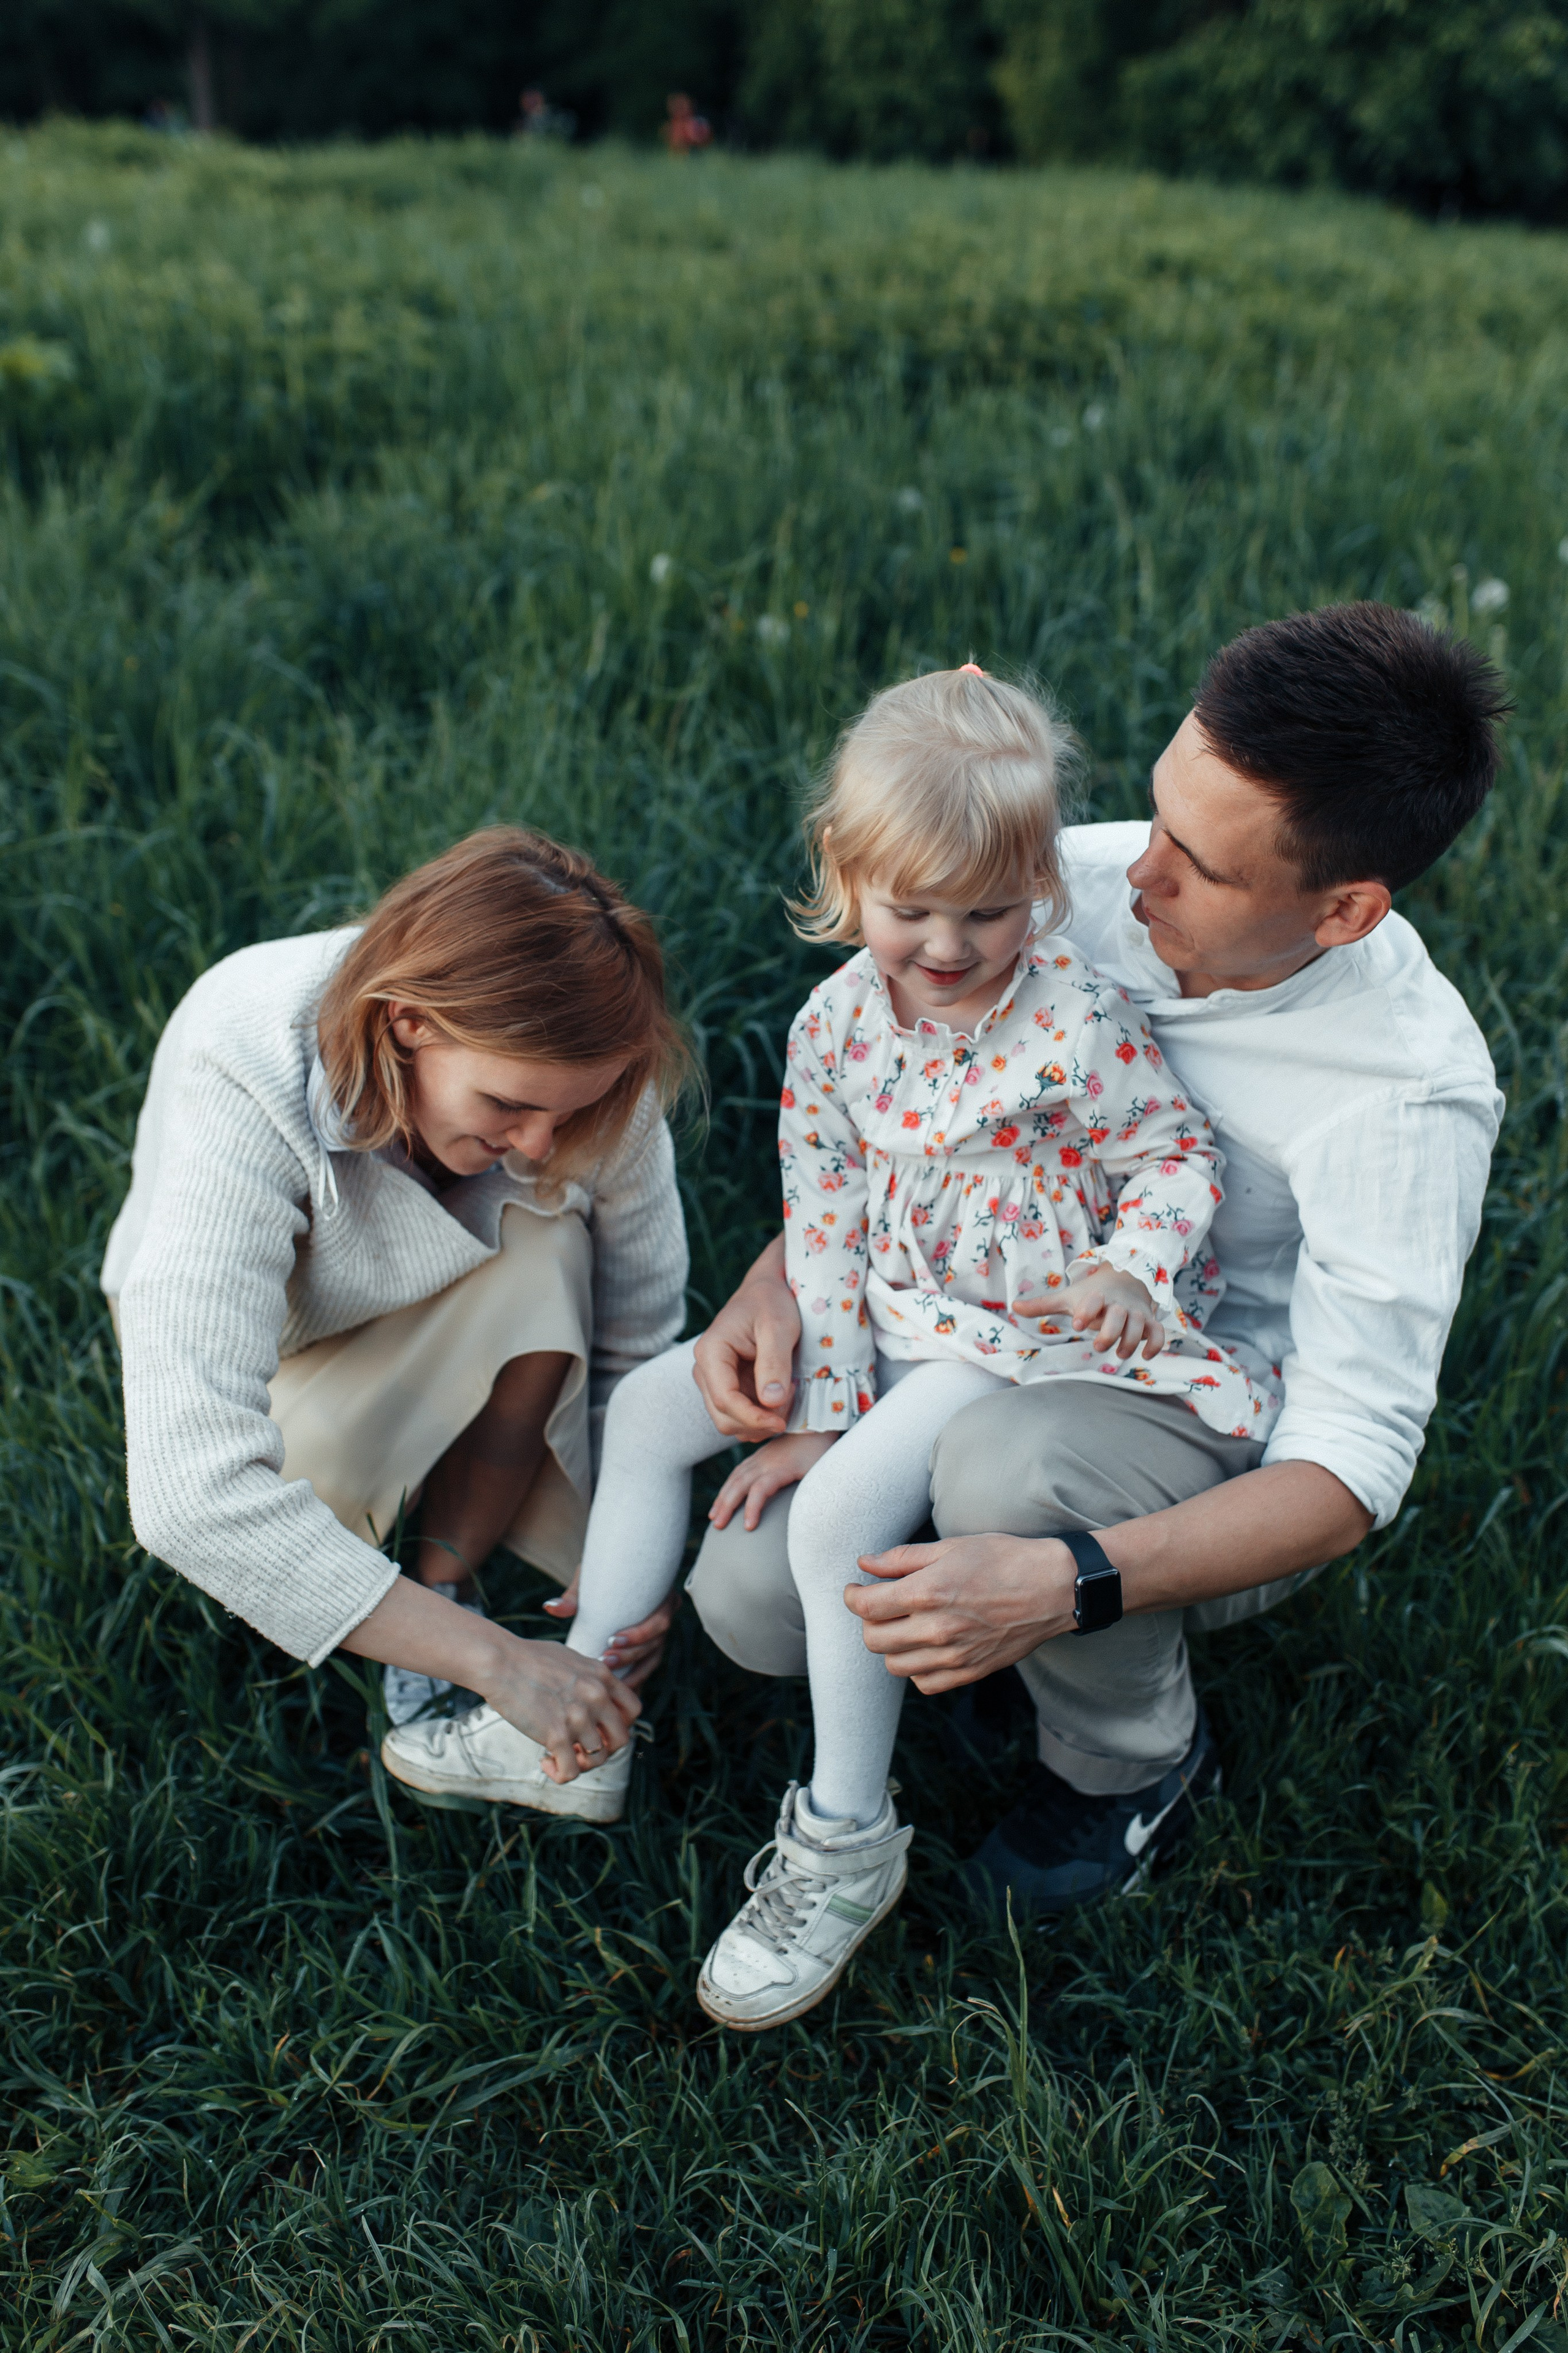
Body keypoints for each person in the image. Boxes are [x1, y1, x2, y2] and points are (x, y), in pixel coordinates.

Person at [399, 667, 1280, 2030]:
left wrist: (1131, 1265)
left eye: (988, 910)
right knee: (652, 1416)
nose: (947, 944)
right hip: (891, 1311)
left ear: (1039, 889)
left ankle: (845, 1838)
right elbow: (824, 1213)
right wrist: (822, 1398)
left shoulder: (1074, 1023)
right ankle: (584, 1718)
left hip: (1012, 1338)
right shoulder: (835, 1025)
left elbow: (1175, 1153)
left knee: (834, 1524)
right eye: (910, 907)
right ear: (844, 870)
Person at [685, 602, 1508, 1927]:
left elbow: (1346, 1476)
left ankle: (1128, 1761)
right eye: (1156, 814)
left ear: (1345, 909)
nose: (1134, 876)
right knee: (752, 1593)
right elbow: (905, 1116)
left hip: (1190, 1411)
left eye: (1198, 864)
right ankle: (991, 1642)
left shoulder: (1403, 1096)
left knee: (1007, 1473)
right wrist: (774, 1278)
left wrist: (1068, 1580)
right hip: (973, 1327)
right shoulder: (1067, 885)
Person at [104, 828, 688, 1805]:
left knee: (550, 1247)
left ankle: (445, 1575)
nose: (537, 1143)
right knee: (282, 1482)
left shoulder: (582, 1070)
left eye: (566, 1114)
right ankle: (437, 1631)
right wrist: (501, 1663)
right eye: (505, 1104)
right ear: (409, 1022)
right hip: (281, 1350)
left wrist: (627, 1546)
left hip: (453, 1296)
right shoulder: (246, 1053)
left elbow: (635, 1344)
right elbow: (186, 1493)